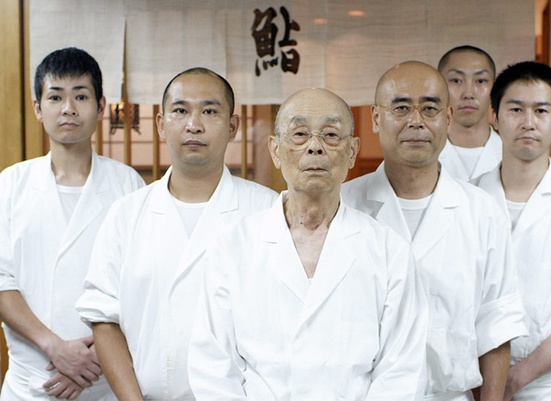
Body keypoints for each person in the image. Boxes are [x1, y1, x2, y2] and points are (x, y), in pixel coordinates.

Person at [187, 88, 429, 400]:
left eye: (331, 135)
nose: (315, 147)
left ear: (352, 151)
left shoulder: (388, 251)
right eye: (300, 134)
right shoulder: (233, 247)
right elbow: (213, 366)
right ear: (275, 150)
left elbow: (402, 371)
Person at [75, 67, 277, 400]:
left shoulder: (267, 211)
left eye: (209, 111)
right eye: (180, 110)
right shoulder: (127, 214)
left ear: (232, 126)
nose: (193, 124)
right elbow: (103, 317)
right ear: (160, 123)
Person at [342, 61, 527, 401]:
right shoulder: (343, 205)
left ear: (448, 117)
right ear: (376, 118)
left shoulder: (482, 212)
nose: (416, 121)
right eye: (401, 108)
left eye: (429, 108)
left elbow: (496, 325)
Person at [0, 47, 145, 400]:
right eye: (55, 97)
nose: (68, 108)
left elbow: (141, 286)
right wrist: (55, 348)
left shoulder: (128, 185)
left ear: (100, 106)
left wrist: (93, 359)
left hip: (106, 380)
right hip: (29, 383)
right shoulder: (11, 184)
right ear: (38, 108)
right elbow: (2, 280)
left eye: (81, 96)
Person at [477, 61, 551, 401]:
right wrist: (490, 385)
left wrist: (513, 380)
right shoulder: (466, 199)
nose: (528, 122)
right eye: (516, 109)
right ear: (494, 117)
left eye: (541, 110)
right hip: (476, 385)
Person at [437, 45, 501, 183]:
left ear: (495, 88)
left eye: (480, 81)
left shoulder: (510, 154)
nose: (468, 93)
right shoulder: (422, 155)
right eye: (456, 81)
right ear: (438, 85)